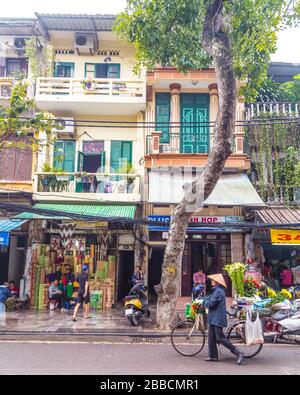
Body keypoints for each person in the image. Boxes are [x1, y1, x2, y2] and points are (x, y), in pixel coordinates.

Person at [203, 274, 244, 365]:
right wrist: (205, 299)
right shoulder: (214, 291)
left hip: (217, 318)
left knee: (220, 338)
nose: (211, 281)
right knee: (211, 338)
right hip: (213, 317)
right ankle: (213, 356)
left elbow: (211, 304)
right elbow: (209, 299)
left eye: (213, 280)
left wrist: (204, 301)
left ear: (217, 282)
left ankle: (238, 352)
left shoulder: (219, 292)